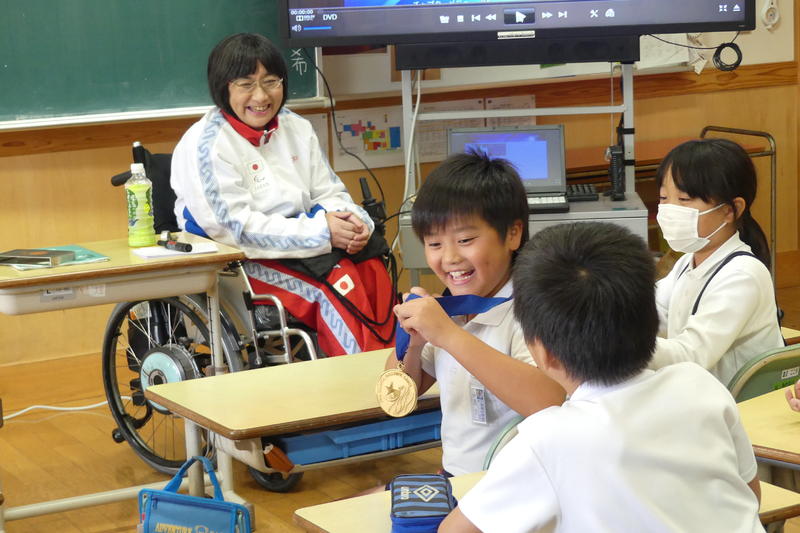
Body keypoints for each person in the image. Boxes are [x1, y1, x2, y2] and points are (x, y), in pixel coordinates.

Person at [441, 222, 764, 533]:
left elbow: (455, 530)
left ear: (544, 352)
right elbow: (748, 495)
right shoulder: (699, 384)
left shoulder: (547, 439)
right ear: (651, 321)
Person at [170, 33, 394, 355]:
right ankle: (365, 379)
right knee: (338, 284)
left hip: (308, 239)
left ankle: (396, 371)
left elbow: (329, 191)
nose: (261, 96)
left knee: (372, 267)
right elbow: (236, 229)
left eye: (271, 81)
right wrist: (323, 232)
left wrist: (355, 223)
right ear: (223, 87)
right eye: (246, 84)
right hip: (242, 260)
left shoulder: (295, 126)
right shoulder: (205, 145)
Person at [387, 151, 565, 477]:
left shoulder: (534, 309)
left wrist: (448, 336)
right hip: (459, 478)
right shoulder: (449, 309)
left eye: (465, 239)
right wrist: (412, 342)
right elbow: (400, 396)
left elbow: (551, 401)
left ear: (512, 234)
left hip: (520, 485)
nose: (450, 257)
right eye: (434, 244)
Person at [649, 138, 783, 386]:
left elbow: (692, 355)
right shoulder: (687, 262)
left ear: (730, 210)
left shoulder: (743, 275)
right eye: (664, 197)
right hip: (698, 393)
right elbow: (651, 312)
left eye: (684, 199)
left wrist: (621, 345)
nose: (669, 209)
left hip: (733, 403)